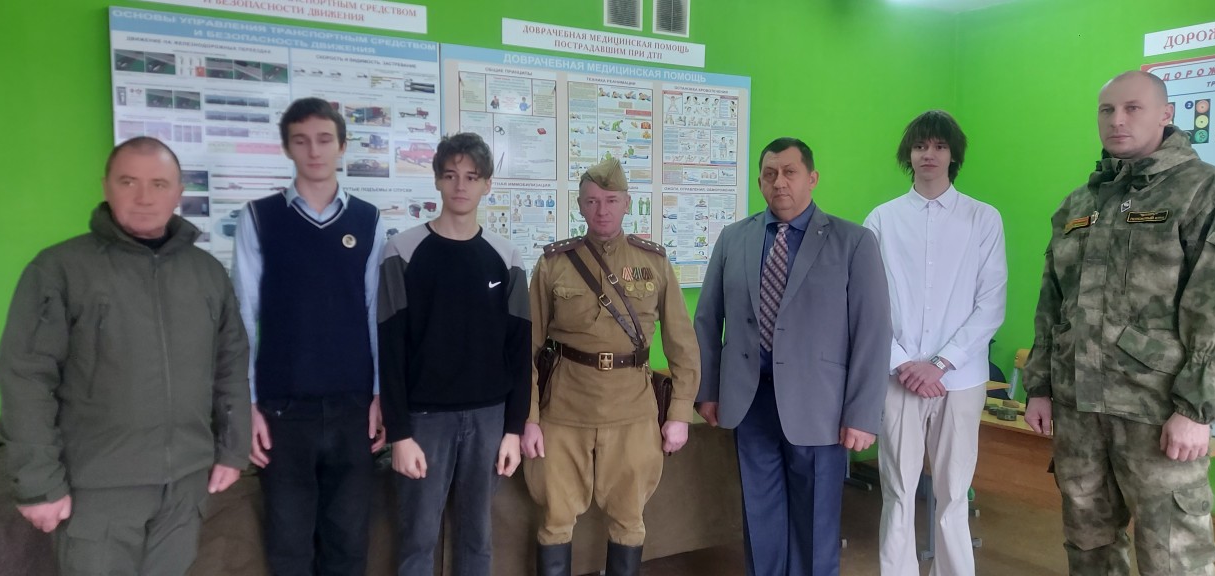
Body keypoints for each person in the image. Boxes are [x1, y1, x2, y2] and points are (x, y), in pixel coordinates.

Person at [1023, 70, 1215, 576]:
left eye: (1133, 108)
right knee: (1088, 547)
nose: (1117, 120)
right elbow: (1052, 303)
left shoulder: (1207, 191)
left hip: (1157, 412)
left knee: (1173, 557)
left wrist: (1195, 409)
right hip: (1079, 409)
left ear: (1166, 115)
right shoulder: (1080, 203)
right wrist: (1039, 386)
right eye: (1107, 110)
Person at [0, 136, 250, 575]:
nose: (144, 197)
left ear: (178, 192)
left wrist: (233, 449)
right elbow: (26, 376)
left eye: (159, 183)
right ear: (106, 186)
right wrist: (37, 482)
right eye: (128, 181)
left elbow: (230, 365)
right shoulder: (60, 269)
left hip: (185, 484)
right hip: (98, 488)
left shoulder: (206, 273)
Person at [694, 137, 890, 576]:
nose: (779, 182)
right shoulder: (734, 239)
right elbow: (707, 319)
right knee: (759, 520)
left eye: (789, 172)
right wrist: (707, 390)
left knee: (815, 526)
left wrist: (862, 413)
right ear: (760, 182)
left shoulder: (853, 242)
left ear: (812, 178)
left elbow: (873, 333)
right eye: (769, 174)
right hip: (750, 404)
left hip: (820, 409)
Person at [522, 157, 701, 576]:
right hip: (564, 410)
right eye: (592, 201)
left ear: (627, 204)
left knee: (629, 519)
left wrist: (680, 414)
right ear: (580, 207)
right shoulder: (554, 264)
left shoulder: (654, 262)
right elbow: (526, 348)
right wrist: (529, 418)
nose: (601, 210)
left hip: (632, 412)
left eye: (611, 200)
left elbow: (683, 344)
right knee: (555, 519)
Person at [232, 97, 387, 576]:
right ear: (287, 148)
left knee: (348, 545)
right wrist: (247, 404)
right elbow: (243, 316)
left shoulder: (368, 220)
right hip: (282, 409)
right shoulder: (258, 218)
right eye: (301, 141)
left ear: (342, 146)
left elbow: (375, 313)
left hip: (353, 408)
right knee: (289, 547)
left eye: (324, 140)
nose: (314, 151)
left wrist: (379, 394)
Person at [378, 132, 530, 575]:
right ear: (437, 181)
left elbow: (519, 352)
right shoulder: (402, 252)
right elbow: (390, 349)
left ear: (487, 184)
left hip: (489, 420)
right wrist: (399, 433)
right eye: (450, 175)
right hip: (424, 422)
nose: (460, 186)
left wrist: (514, 429)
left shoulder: (507, 258)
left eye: (472, 177)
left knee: (477, 539)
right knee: (417, 539)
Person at [863, 111, 1007, 576]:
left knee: (953, 495)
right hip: (898, 378)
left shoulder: (983, 219)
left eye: (940, 146)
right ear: (908, 154)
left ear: (953, 155)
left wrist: (940, 363)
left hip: (959, 381)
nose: (929, 154)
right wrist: (903, 363)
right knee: (898, 492)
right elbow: (867, 301)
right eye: (921, 146)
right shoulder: (882, 219)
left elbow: (991, 304)